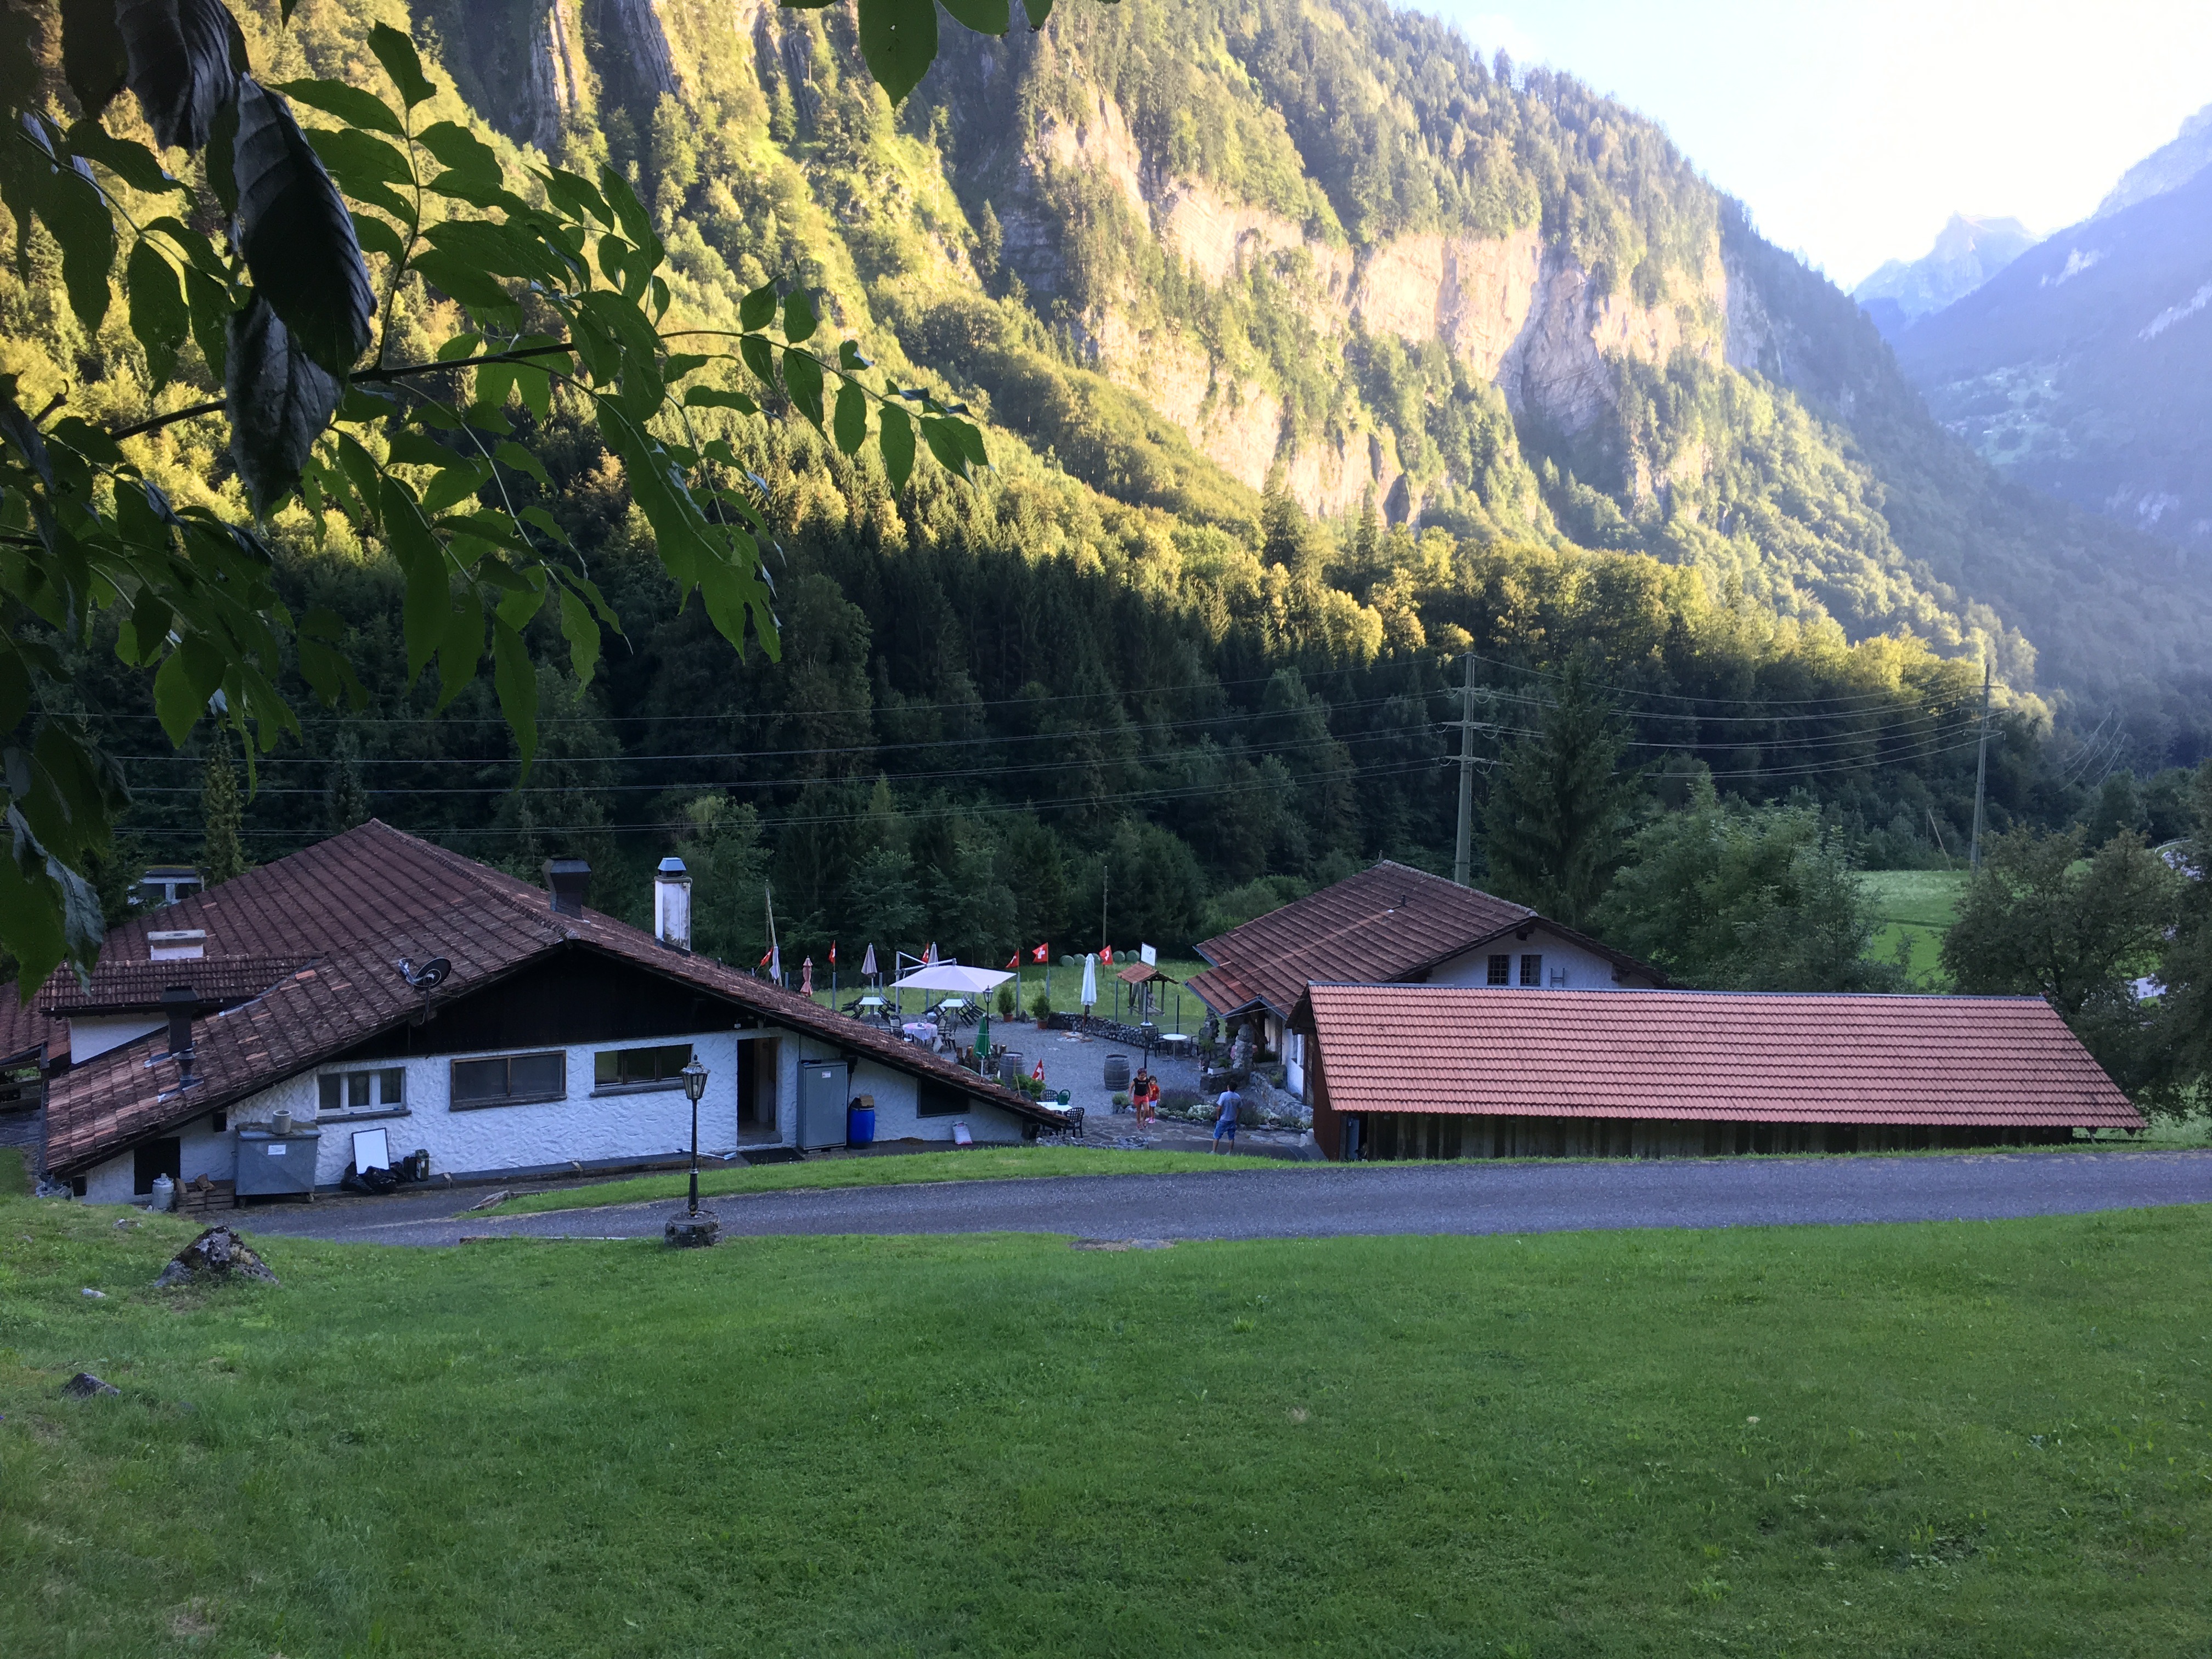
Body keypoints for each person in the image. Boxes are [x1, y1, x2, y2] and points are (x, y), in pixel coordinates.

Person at [1212, 1085, 1241, 1152]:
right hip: (1232, 1119)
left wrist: (1218, 1116)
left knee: (1217, 1135)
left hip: (1224, 1119)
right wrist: (1237, 1117)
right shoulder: (1238, 1097)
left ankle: (1214, 1151)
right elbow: (1240, 1108)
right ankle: (1230, 1152)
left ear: (1228, 1087)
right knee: (1231, 1137)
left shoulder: (1224, 1095)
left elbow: (1219, 1107)